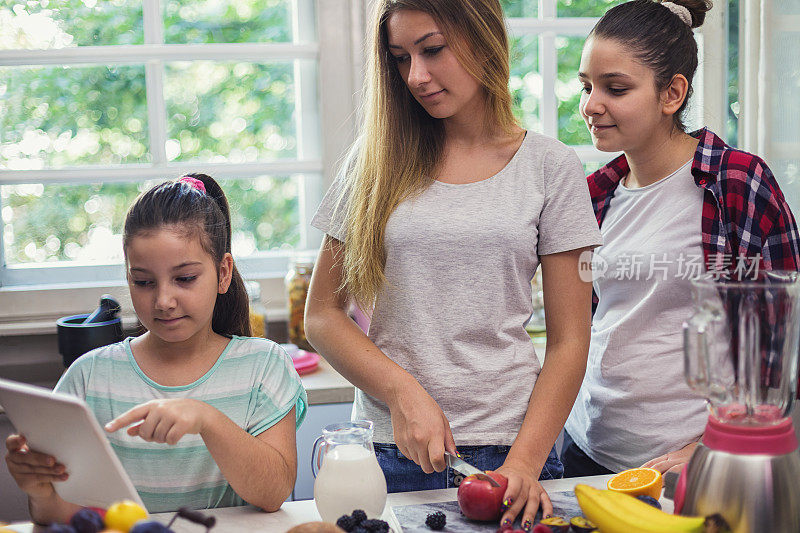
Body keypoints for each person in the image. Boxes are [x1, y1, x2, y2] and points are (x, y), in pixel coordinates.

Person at [304, 0, 602, 530]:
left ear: (484, 38)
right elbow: (322, 315)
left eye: (433, 49)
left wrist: (525, 463)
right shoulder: (372, 162)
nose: (416, 76)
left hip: (514, 454)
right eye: (400, 58)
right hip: (390, 450)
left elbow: (569, 342)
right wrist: (403, 391)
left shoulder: (550, 167)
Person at [562, 0, 800, 478]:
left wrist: (716, 444)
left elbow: (784, 337)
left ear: (671, 93)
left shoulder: (736, 181)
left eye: (616, 88)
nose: (591, 105)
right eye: (587, 86)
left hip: (699, 462)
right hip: (586, 450)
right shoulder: (594, 193)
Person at [5, 174, 308, 524]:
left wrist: (205, 418)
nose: (163, 301)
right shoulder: (89, 378)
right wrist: (41, 493)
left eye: (185, 278)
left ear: (223, 273)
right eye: (144, 282)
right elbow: (65, 515)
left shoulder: (264, 367)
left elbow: (273, 494)